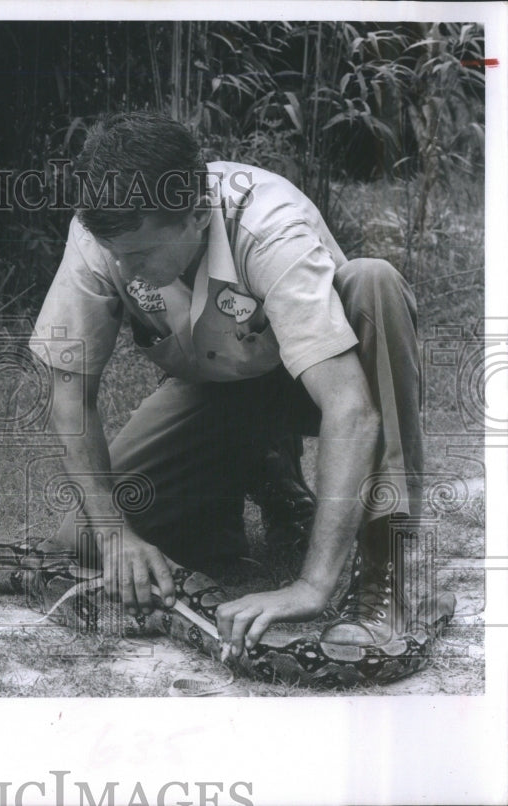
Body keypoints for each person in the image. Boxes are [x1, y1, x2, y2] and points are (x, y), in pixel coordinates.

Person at [29, 112, 423, 657]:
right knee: (81, 542)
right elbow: (70, 389)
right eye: (116, 253)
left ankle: (390, 571)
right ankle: (264, 474)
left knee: (373, 281)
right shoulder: (105, 232)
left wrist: (311, 586)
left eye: (140, 254)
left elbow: (350, 409)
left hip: (315, 381)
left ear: (196, 214)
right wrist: (116, 534)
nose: (124, 267)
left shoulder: (270, 225)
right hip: (217, 388)